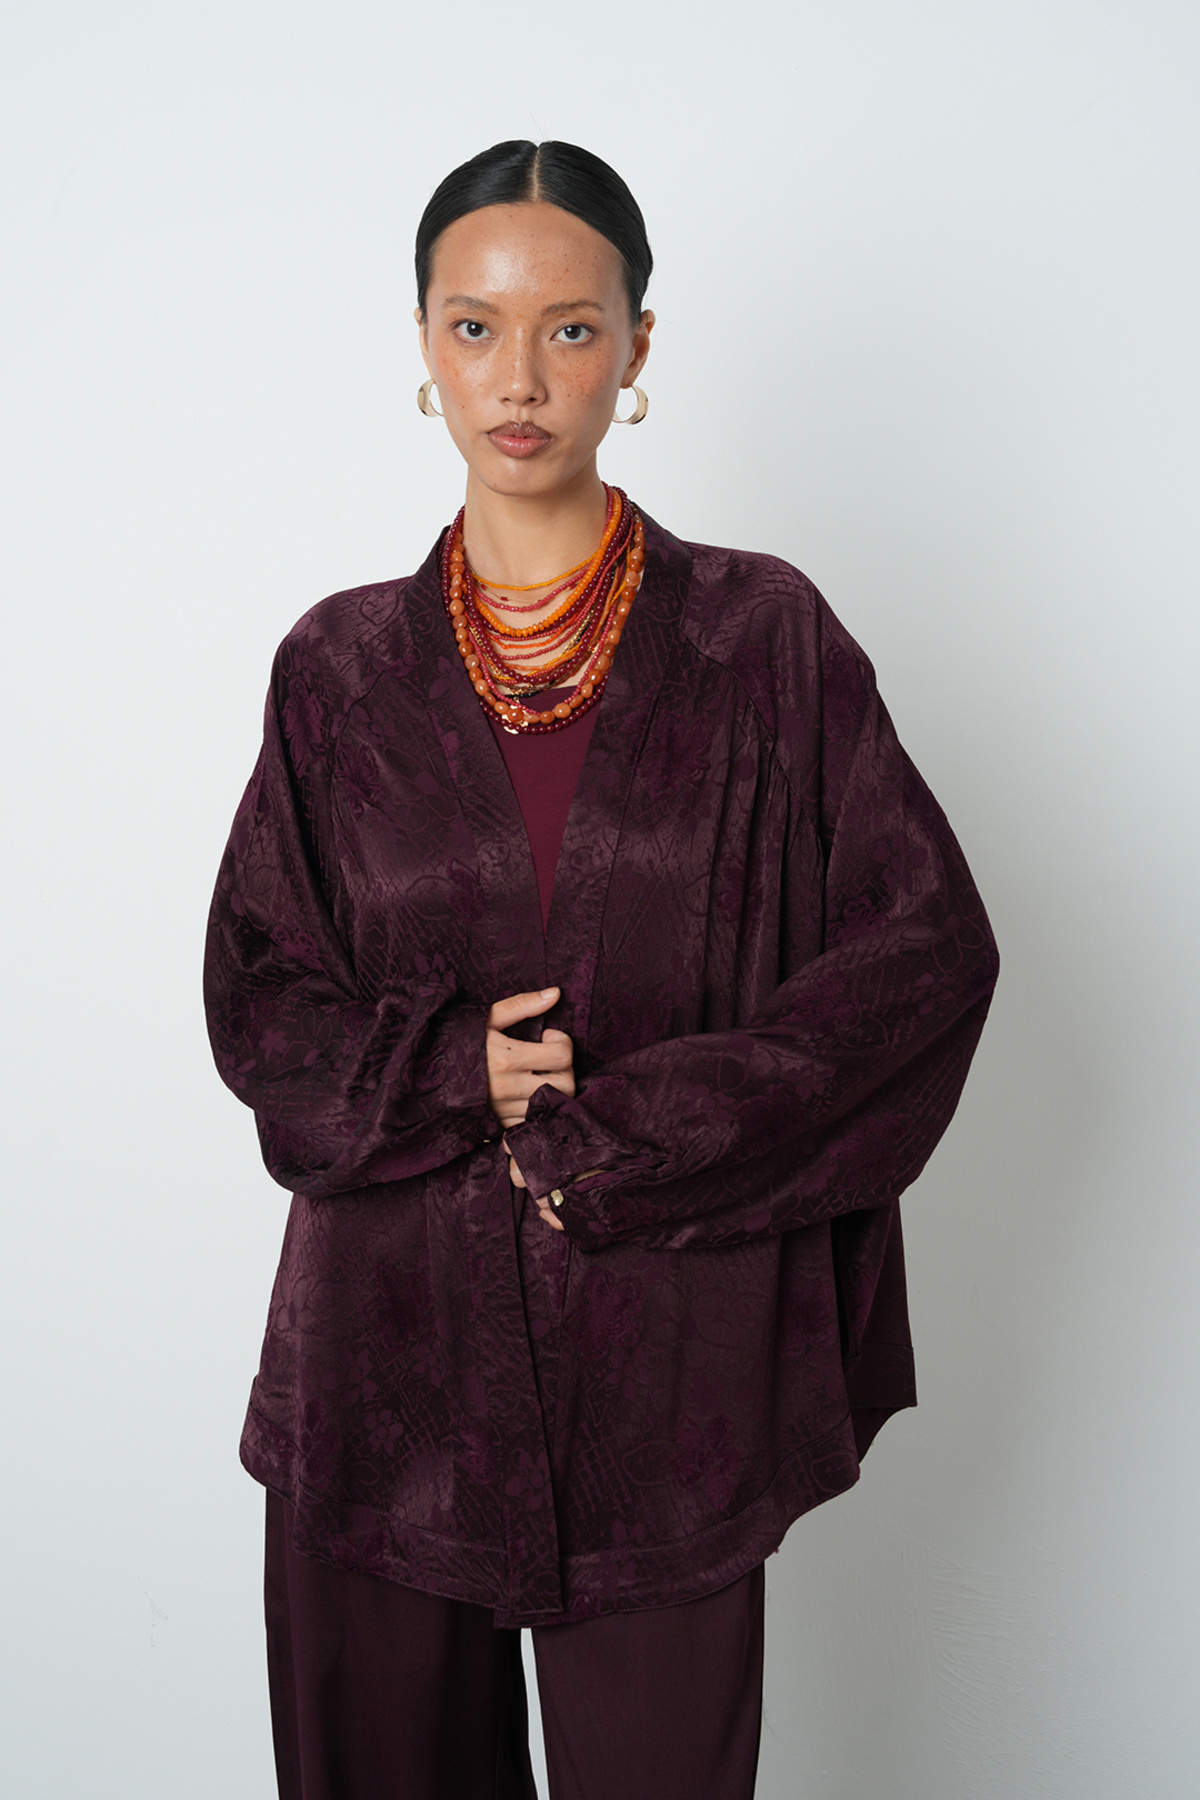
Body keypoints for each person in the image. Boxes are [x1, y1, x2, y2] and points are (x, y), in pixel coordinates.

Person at [204, 139, 999, 1800]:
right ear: (424, 347)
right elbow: (260, 992)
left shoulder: (760, 641)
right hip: (382, 1377)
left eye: (570, 329)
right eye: (476, 327)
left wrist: (640, 1132)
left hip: (668, 1379)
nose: (520, 377)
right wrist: (447, 1070)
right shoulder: (338, 669)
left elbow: (922, 954)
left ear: (636, 347)